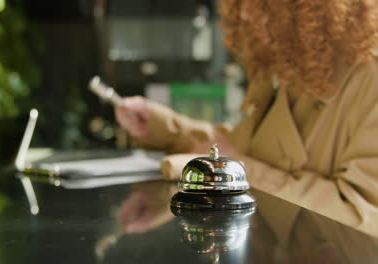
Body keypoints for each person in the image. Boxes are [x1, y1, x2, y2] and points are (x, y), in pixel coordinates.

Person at [114, 0, 378, 236]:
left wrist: (242, 169)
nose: (248, 14)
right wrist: (162, 127)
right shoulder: (301, 68)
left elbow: (363, 217)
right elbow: (245, 147)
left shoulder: (369, 76)